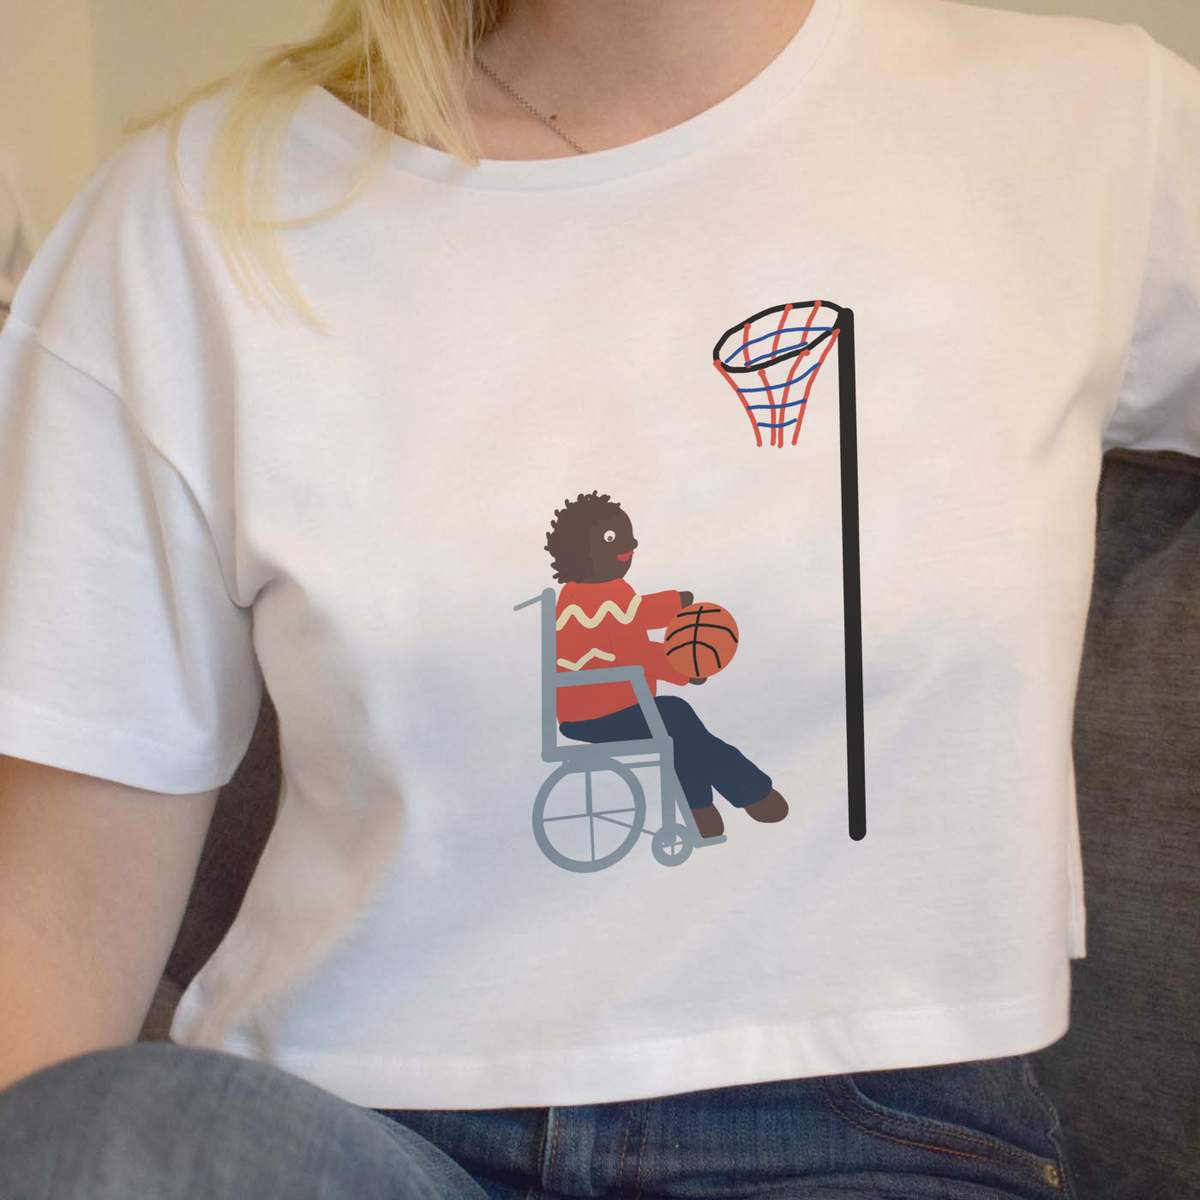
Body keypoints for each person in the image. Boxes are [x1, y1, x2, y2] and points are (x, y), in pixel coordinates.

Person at [0, 0, 1196, 1195]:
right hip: (347, 1135)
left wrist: (684, 642)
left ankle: (723, 792)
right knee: (124, 1132)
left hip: (871, 1129)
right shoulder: (192, 217)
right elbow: (54, 925)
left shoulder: (1098, 126)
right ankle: (725, 792)